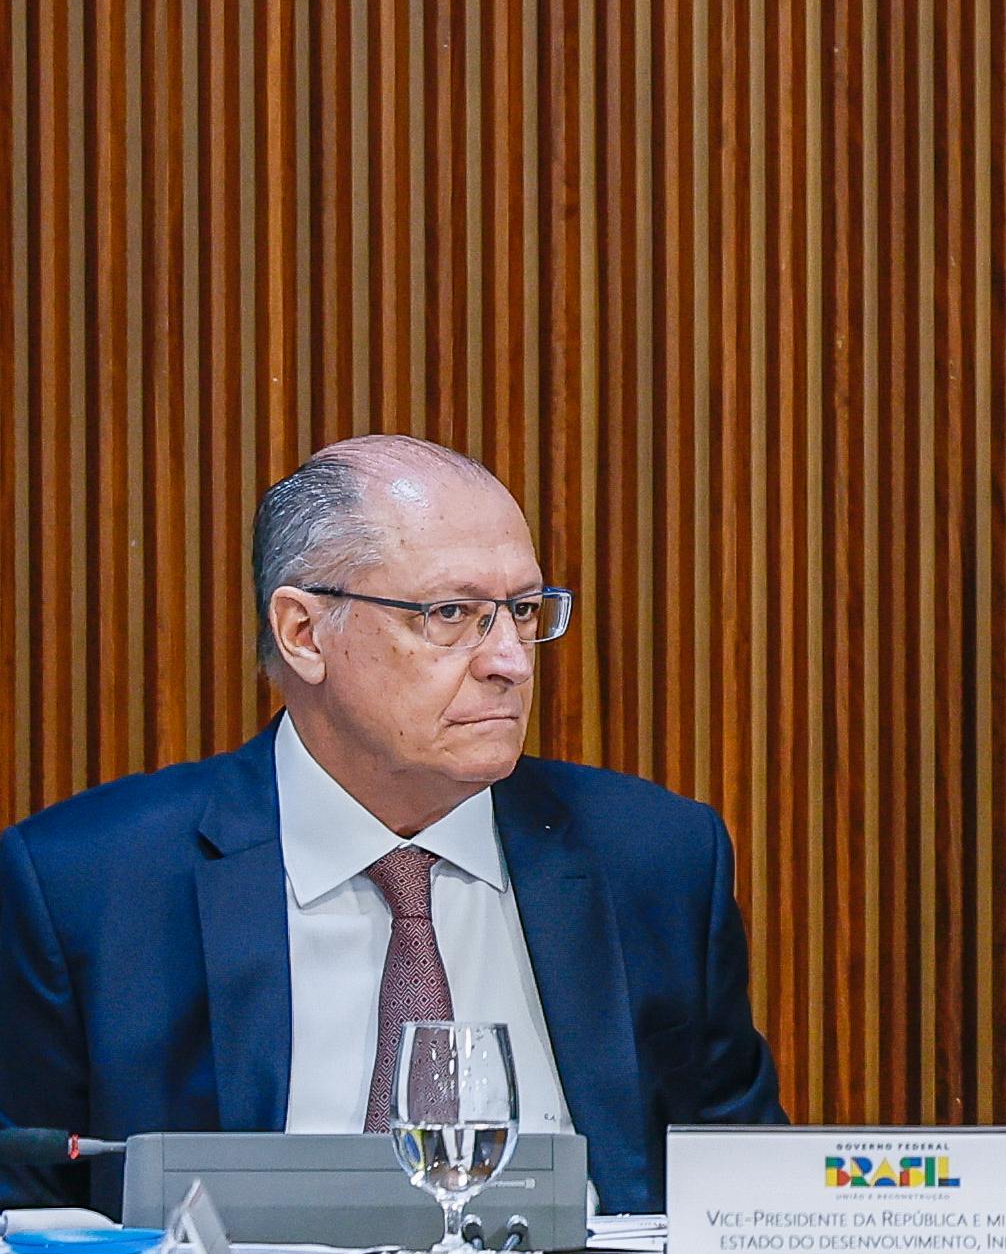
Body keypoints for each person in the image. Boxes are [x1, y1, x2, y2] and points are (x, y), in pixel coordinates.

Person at [0, 436, 783, 1212]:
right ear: (304, 633)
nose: (510, 661)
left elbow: (749, 1201)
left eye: (521, 611)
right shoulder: (87, 888)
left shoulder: (653, 859)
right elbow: (26, 1223)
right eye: (452, 614)